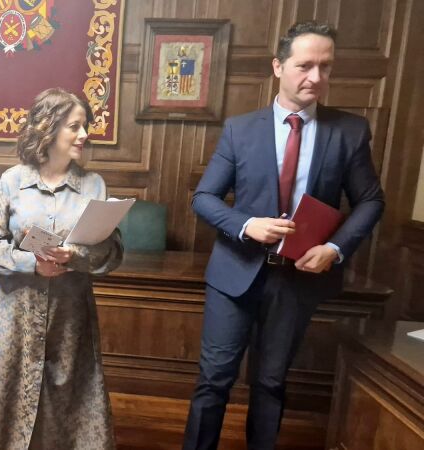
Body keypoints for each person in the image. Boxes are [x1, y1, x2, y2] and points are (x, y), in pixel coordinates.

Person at [183, 21, 384, 449]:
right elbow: (204, 197)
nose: (316, 77)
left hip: (297, 279)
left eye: (326, 67)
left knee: (271, 383)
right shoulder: (240, 129)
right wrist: (245, 225)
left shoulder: (349, 131)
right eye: (305, 65)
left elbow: (370, 201)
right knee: (214, 381)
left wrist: (335, 248)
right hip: (235, 273)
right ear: (278, 66)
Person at [0, 88, 124, 449]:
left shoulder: (94, 185)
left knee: (69, 400)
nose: (84, 134)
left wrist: (74, 255)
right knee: (0, 396)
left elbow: (112, 253)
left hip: (69, 318)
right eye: (75, 126)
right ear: (48, 128)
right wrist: (32, 264)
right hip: (14, 315)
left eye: (85, 126)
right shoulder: (12, 181)